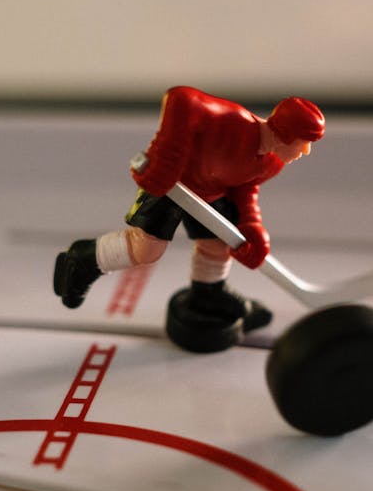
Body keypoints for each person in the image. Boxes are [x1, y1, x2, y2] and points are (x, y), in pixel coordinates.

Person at [53, 86, 325, 342]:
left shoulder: (273, 163)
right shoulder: (236, 121)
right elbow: (181, 98)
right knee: (147, 251)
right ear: (285, 133)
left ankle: (207, 295)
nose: (306, 152)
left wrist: (251, 225)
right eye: (304, 142)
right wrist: (166, 158)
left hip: (210, 193)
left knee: (219, 245)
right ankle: (84, 259)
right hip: (172, 187)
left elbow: (245, 187)